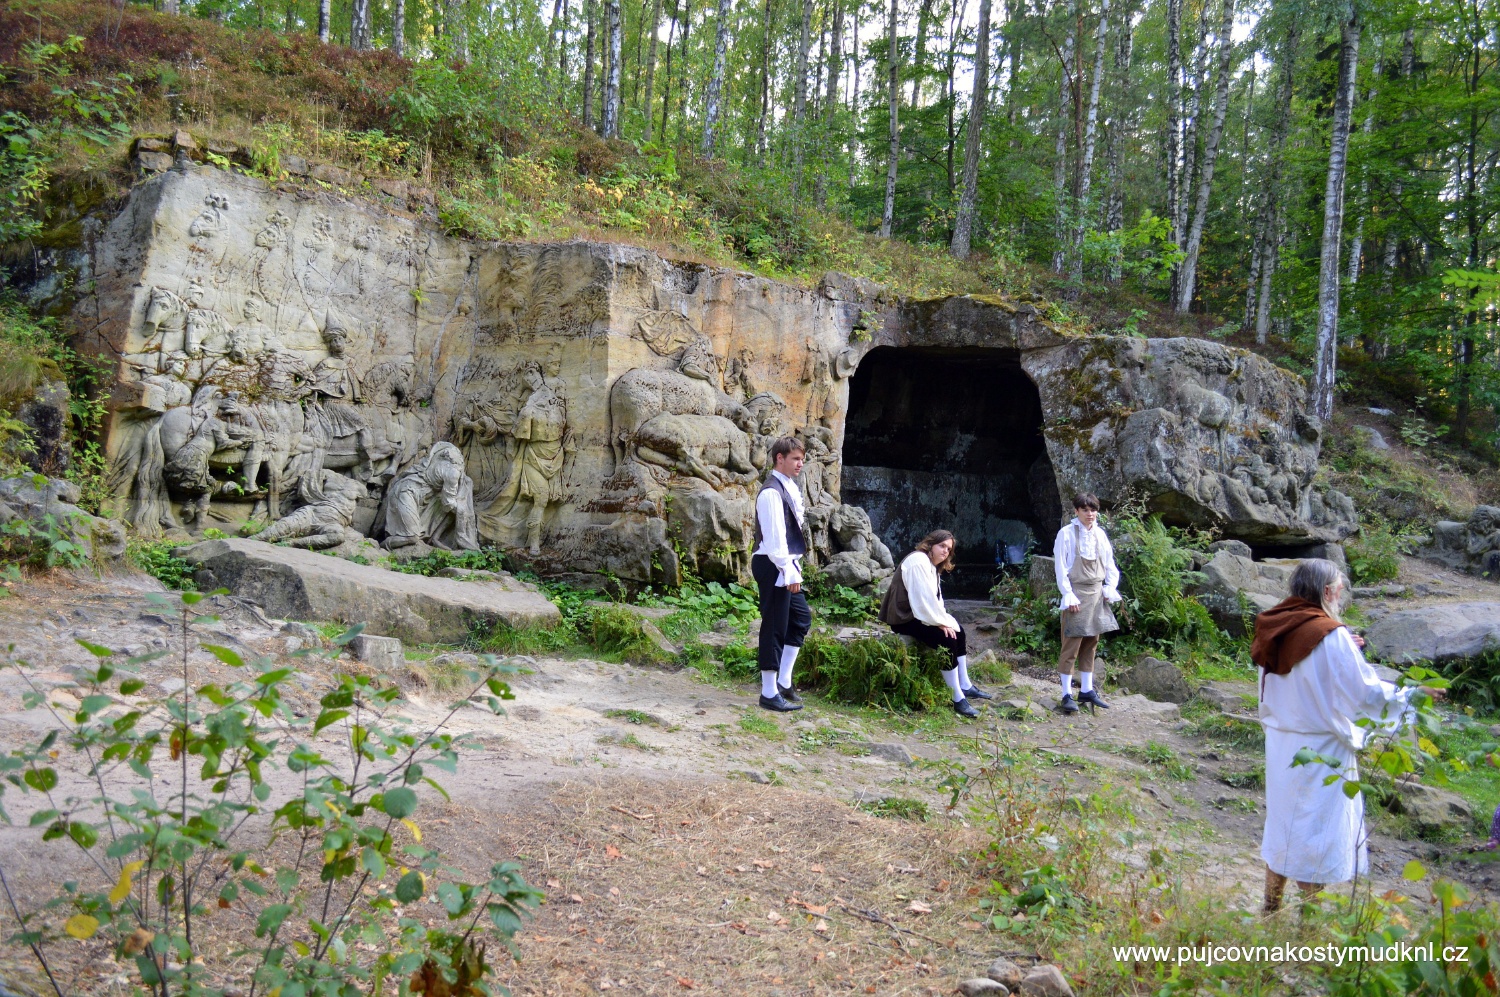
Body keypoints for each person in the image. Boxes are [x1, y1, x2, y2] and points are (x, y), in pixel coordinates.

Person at [1252, 558, 1427, 914]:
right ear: (1327, 592)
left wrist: (1345, 646)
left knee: (1284, 825)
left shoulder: (1275, 625)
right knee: (1315, 832)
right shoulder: (1330, 635)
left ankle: (1271, 907)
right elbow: (1364, 694)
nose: (1342, 595)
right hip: (1321, 748)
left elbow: (1299, 675)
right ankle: (1309, 922)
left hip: (1282, 742)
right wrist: (1411, 695)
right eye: (1340, 589)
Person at [878, 530, 990, 718]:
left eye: (949, 549)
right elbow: (922, 601)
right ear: (930, 545)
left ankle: (965, 684)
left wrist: (945, 620)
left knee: (959, 631)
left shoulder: (931, 566)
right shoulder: (918, 561)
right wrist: (939, 623)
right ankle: (957, 698)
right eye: (942, 546)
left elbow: (935, 601)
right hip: (904, 618)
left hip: (917, 615)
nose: (946, 551)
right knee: (946, 639)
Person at [752, 437, 812, 713]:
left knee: (800, 619)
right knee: (775, 625)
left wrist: (792, 568)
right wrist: (788, 571)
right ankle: (768, 692)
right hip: (773, 564)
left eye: (802, 459)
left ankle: (783, 682)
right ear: (780, 458)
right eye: (795, 459)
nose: (800, 464)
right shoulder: (771, 493)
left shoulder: (788, 486)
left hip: (785, 564)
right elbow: (775, 540)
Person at [1052, 493, 1121, 714]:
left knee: (1091, 642)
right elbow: (1060, 568)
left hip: (1096, 594)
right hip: (1077, 594)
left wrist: (1109, 588)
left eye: (1093, 510)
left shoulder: (1100, 534)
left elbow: (1110, 565)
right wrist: (1068, 595)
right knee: (1071, 644)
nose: (1090, 514)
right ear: (1076, 511)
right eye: (1085, 510)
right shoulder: (1066, 534)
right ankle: (1066, 694)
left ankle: (1087, 690)